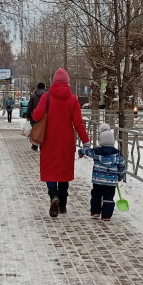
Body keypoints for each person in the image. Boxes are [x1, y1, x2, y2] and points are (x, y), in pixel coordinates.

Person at [31, 68, 90, 218]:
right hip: (66, 141)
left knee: (50, 170)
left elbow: (36, 115)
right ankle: (63, 204)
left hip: (49, 139)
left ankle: (53, 196)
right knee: (64, 172)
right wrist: (86, 141)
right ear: (67, 83)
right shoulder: (73, 99)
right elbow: (78, 123)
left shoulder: (47, 97)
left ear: (54, 82)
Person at [77, 123, 126, 221]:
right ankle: (106, 215)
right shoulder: (117, 154)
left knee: (96, 195)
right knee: (109, 197)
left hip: (98, 180)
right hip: (111, 182)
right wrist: (120, 176)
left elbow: (87, 151)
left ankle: (95, 212)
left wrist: (81, 151)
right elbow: (122, 166)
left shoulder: (96, 152)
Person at [26, 83, 47, 151]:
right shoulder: (47, 95)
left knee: (35, 130)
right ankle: (42, 145)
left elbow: (29, 106)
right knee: (44, 130)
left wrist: (28, 115)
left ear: (37, 88)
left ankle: (35, 145)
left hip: (34, 116)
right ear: (44, 87)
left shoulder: (33, 96)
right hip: (45, 116)